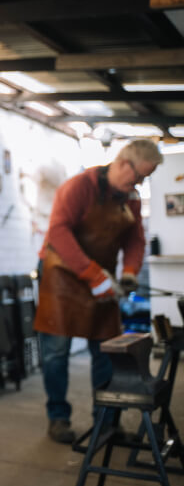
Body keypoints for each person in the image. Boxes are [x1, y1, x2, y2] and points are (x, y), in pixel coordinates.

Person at [33, 139, 162, 444]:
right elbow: (58, 233)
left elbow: (135, 239)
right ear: (121, 163)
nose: (139, 184)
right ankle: (58, 419)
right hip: (61, 275)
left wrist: (129, 271)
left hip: (101, 277)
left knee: (106, 351)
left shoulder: (130, 198)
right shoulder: (78, 187)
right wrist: (94, 276)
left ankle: (106, 424)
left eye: (145, 179)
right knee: (56, 353)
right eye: (139, 176)